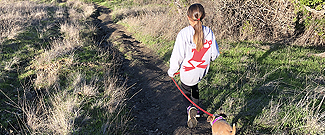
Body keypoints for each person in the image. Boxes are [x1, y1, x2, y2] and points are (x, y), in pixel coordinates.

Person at [167, 3, 220, 128]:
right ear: (204, 16)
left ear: (188, 17)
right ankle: (197, 109)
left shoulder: (183, 33)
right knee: (195, 86)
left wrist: (172, 71)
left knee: (185, 90)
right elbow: (215, 54)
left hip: (187, 71)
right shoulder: (209, 32)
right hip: (201, 70)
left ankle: (190, 108)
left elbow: (177, 56)